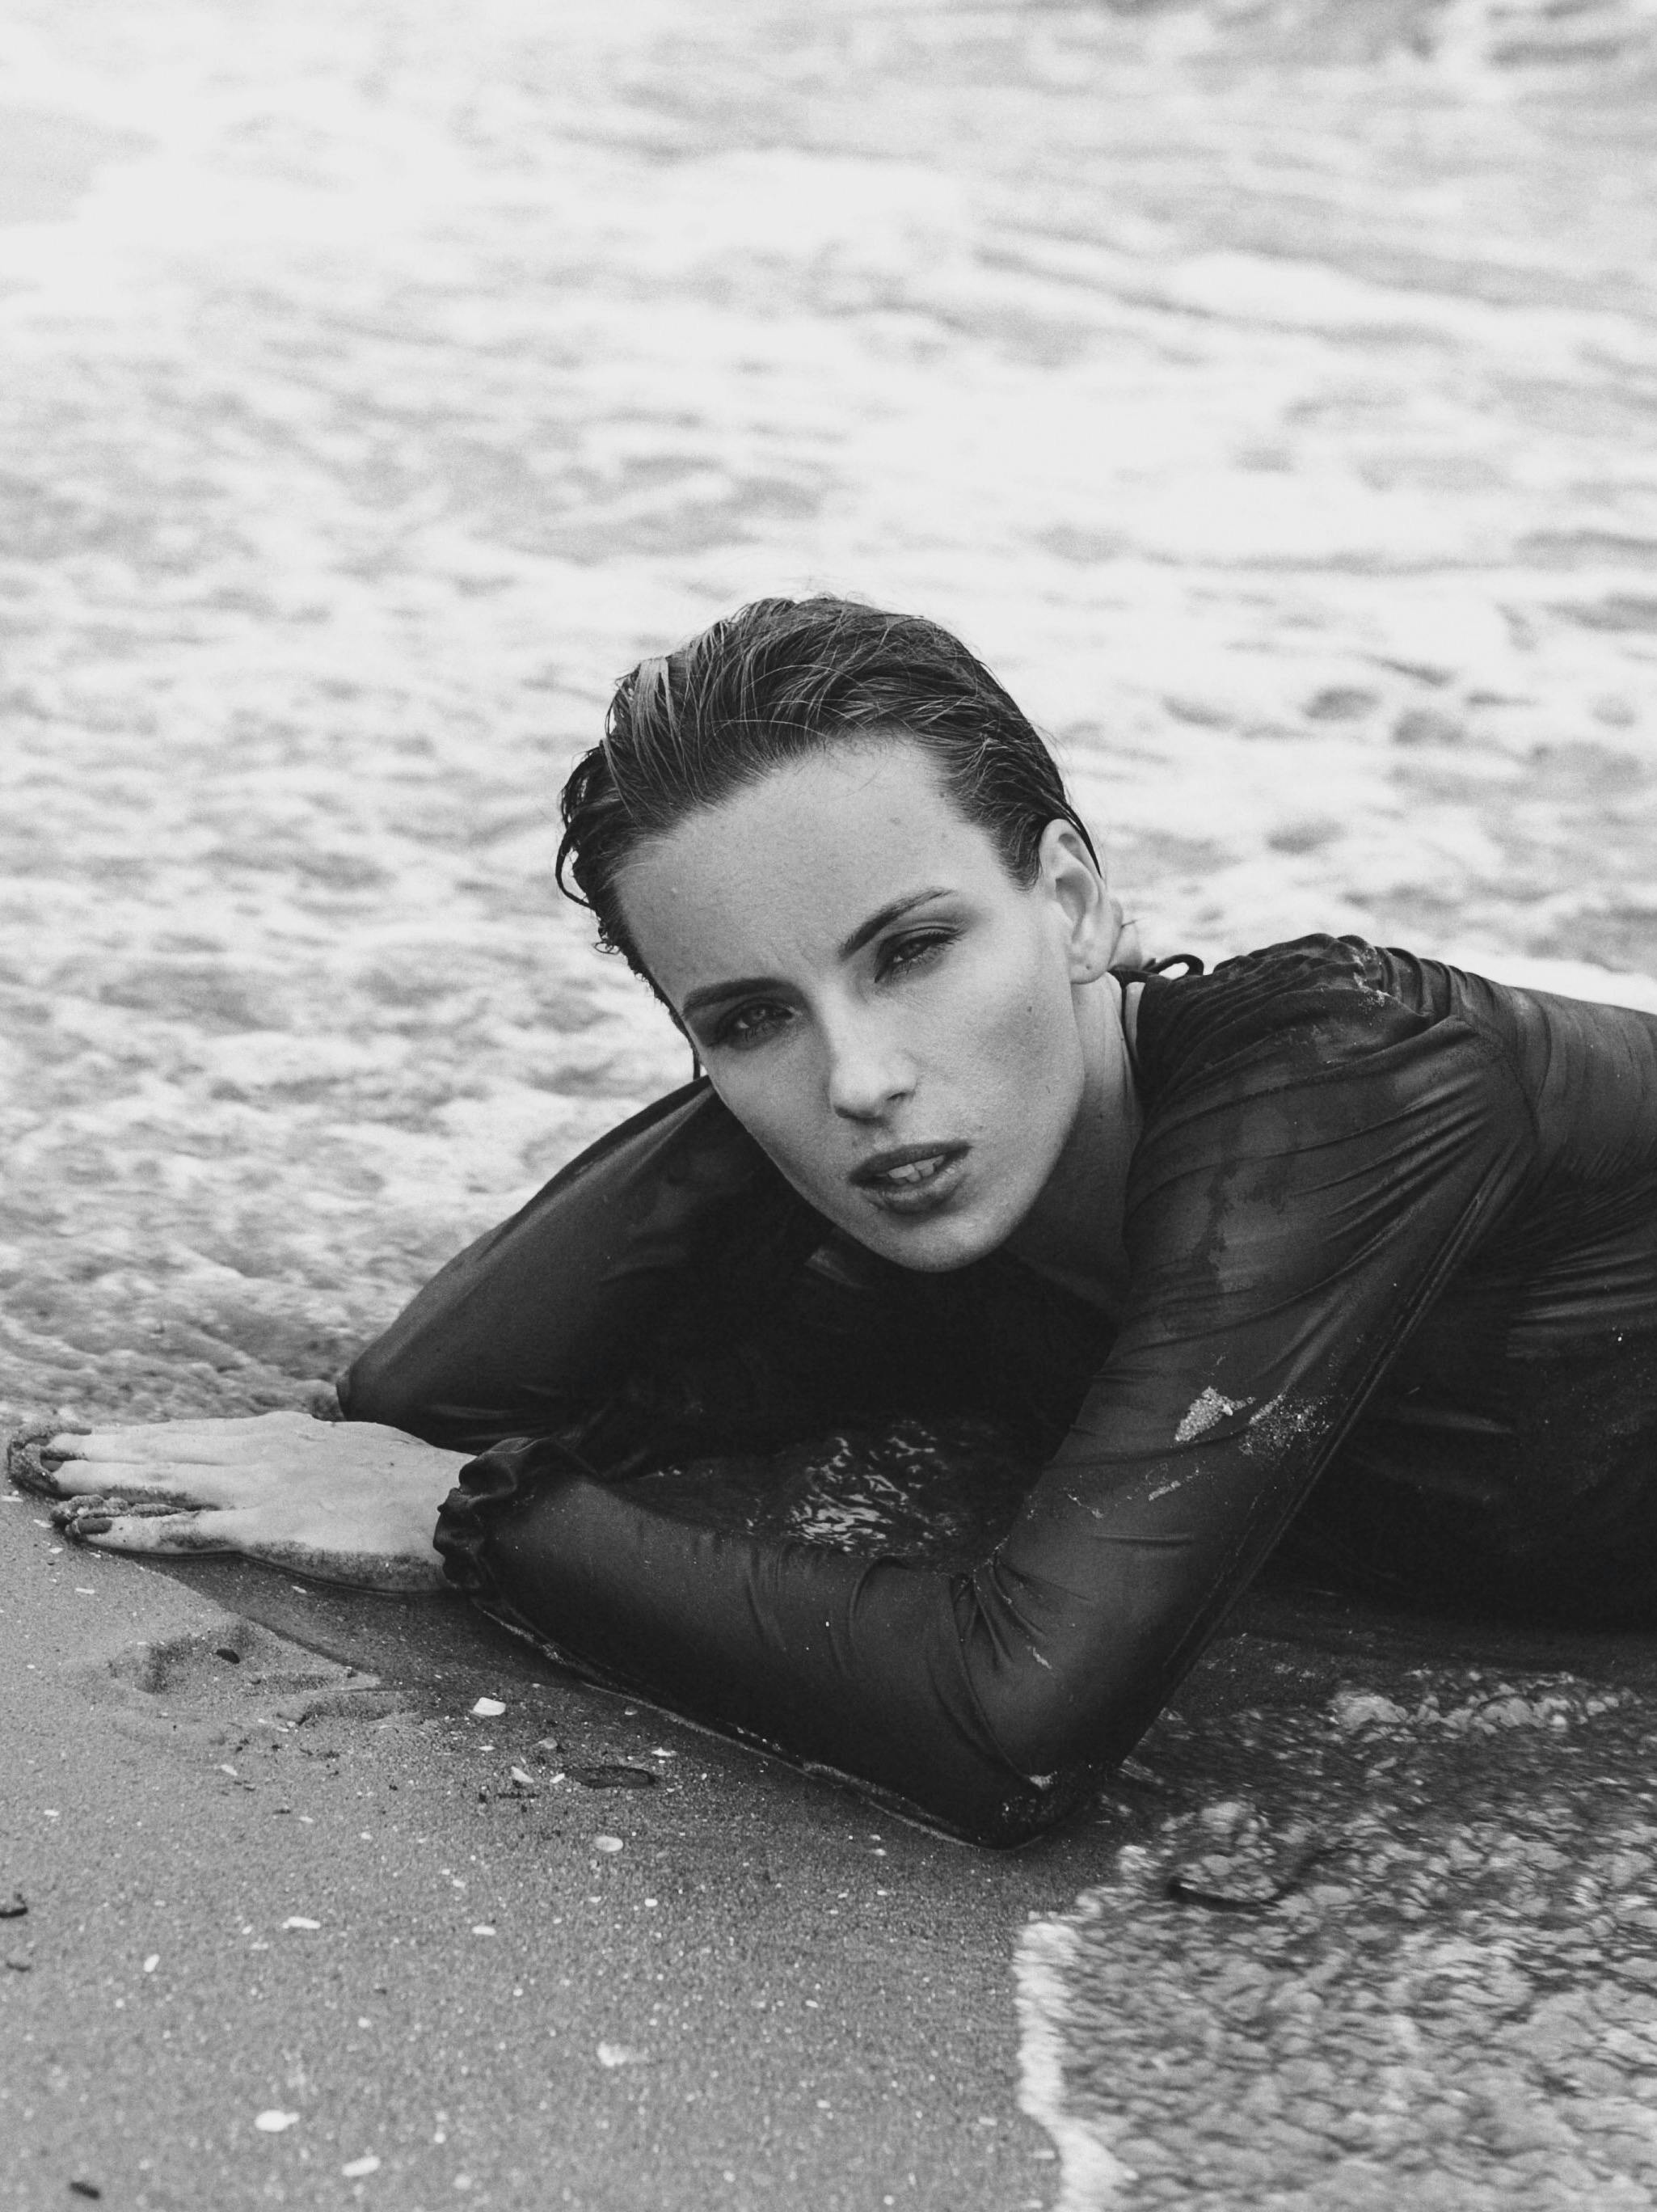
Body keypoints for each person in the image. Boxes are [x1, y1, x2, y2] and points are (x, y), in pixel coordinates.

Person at [21, 597, 1657, 1847]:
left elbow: (1011, 1724)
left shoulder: (1350, 1077)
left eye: (912, 948)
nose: (861, 1082)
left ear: (1072, 900)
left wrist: (482, 1523)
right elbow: (421, 1404)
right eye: (743, 1021)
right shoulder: (937, 1241)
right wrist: (779, 1067)